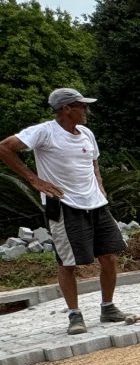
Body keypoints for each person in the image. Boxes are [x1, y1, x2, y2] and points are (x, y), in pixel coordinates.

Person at [0, 88, 127, 335]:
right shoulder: (44, 132)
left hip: (96, 204)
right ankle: (74, 315)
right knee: (68, 262)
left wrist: (99, 186)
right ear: (67, 109)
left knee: (109, 256)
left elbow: (93, 163)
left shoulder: (87, 133)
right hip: (65, 206)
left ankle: (108, 307)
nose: (86, 111)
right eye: (82, 106)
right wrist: (35, 180)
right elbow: (5, 147)